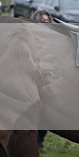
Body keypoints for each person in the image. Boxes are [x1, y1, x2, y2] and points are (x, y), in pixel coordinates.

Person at [31, 9, 53, 148]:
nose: (44, 24)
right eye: (41, 22)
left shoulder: (53, 40)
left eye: (46, 22)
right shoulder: (30, 39)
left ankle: (39, 140)